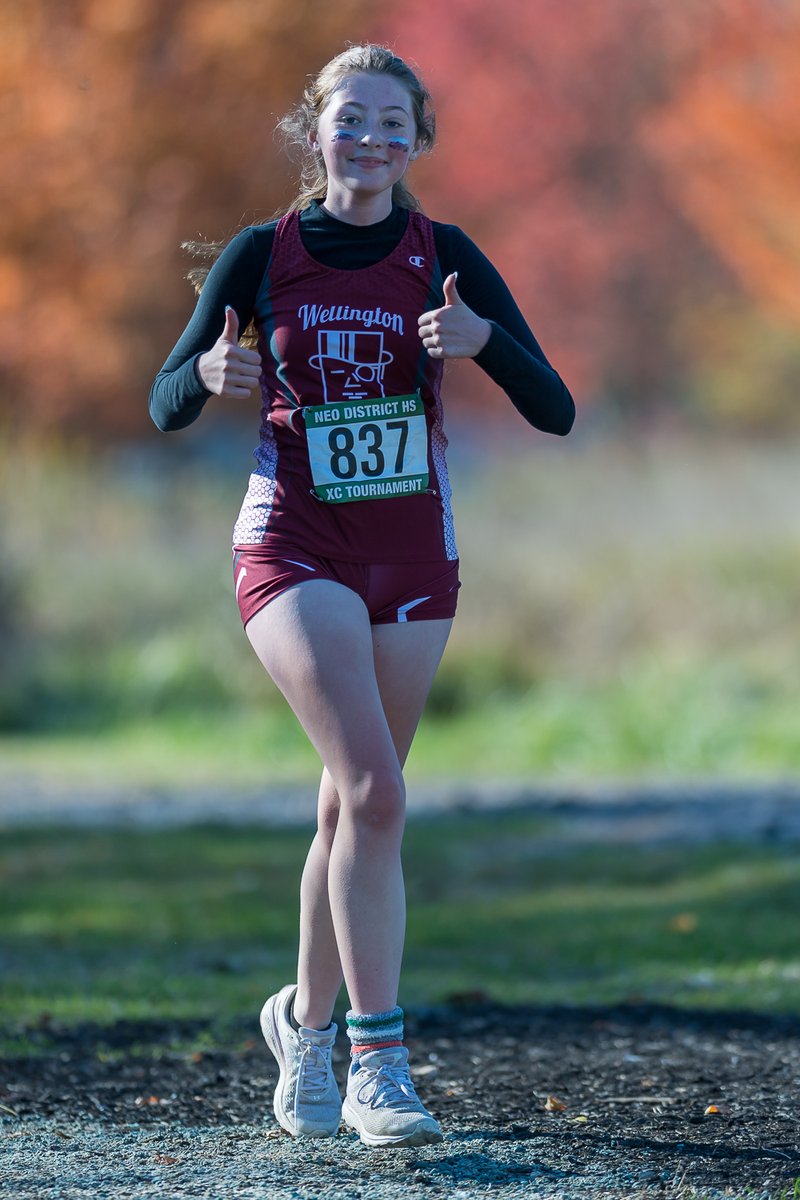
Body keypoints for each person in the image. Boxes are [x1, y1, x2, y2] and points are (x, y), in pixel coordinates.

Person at [149, 43, 574, 1149]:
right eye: (351, 119)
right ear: (315, 132)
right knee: (377, 793)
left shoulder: (445, 255)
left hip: (412, 557)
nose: (372, 140)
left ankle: (301, 1025)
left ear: (417, 140)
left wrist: (482, 344)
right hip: (293, 547)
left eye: (394, 123)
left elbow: (555, 409)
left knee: (351, 806)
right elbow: (164, 401)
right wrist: (205, 377)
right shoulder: (262, 253)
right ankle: (378, 1064)